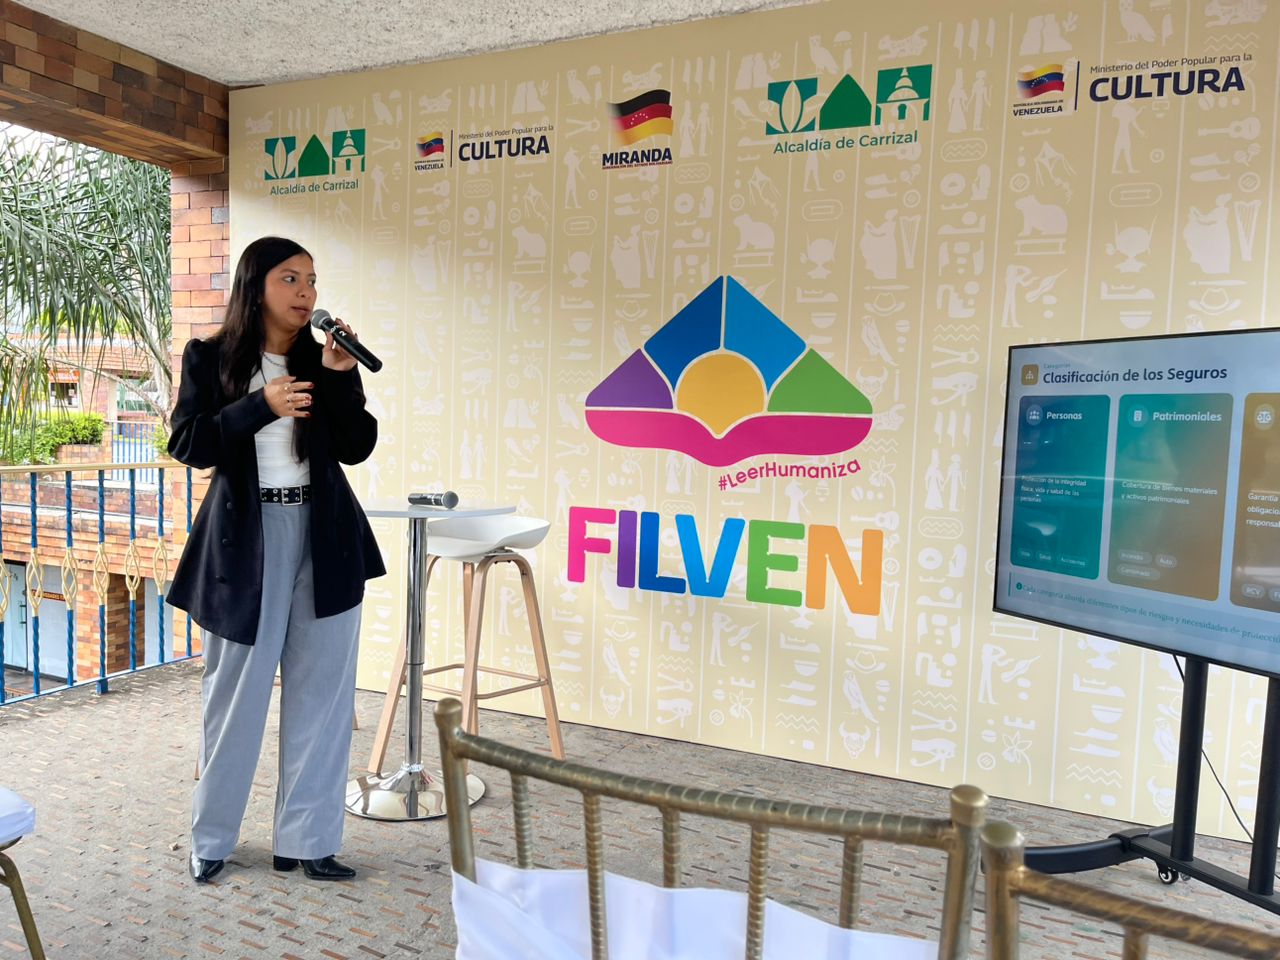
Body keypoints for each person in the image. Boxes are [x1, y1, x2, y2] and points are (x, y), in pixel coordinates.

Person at [167, 236, 386, 884]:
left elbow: (356, 446)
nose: (306, 293)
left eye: (312, 280)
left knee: (323, 696)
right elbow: (189, 443)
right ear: (256, 284)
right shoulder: (210, 357)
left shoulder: (321, 359)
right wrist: (259, 407)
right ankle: (212, 839)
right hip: (245, 544)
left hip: (324, 538)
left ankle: (308, 841)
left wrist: (340, 375)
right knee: (234, 698)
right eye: (290, 279)